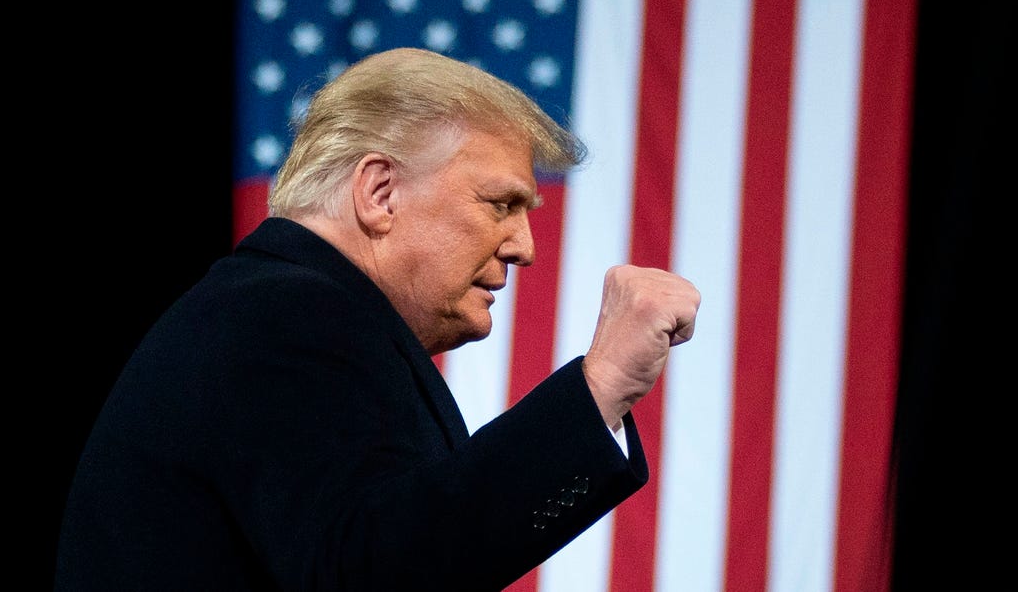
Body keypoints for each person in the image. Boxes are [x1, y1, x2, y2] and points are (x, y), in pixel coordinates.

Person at [55, 47, 700, 591]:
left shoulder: (287, 310)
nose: (525, 246)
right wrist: (602, 385)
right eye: (500, 203)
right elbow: (374, 572)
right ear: (380, 192)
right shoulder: (288, 315)